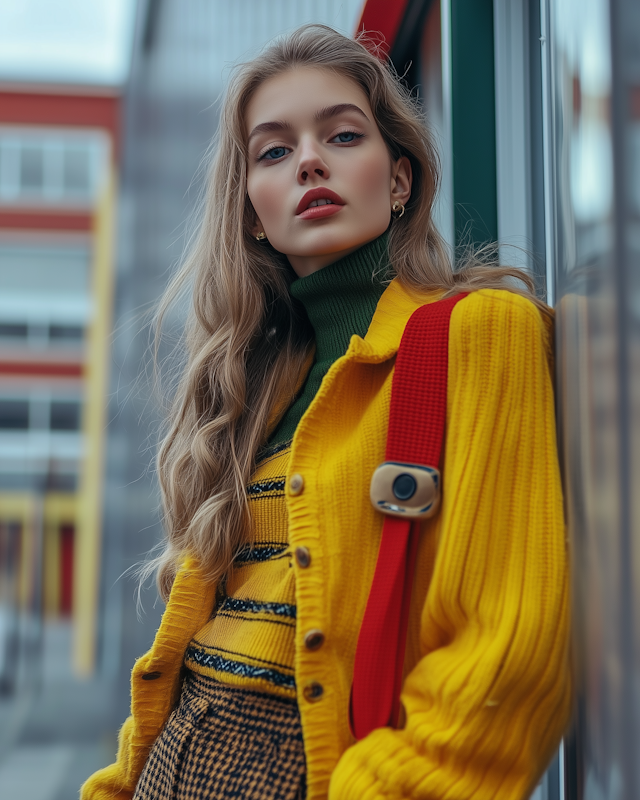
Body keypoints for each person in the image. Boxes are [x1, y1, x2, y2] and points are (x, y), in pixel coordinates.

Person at [82, 23, 570, 800]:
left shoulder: (479, 334)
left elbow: (507, 649)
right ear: (252, 213)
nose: (309, 159)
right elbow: (180, 655)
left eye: (342, 135)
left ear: (400, 179)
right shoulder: (255, 385)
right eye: (273, 152)